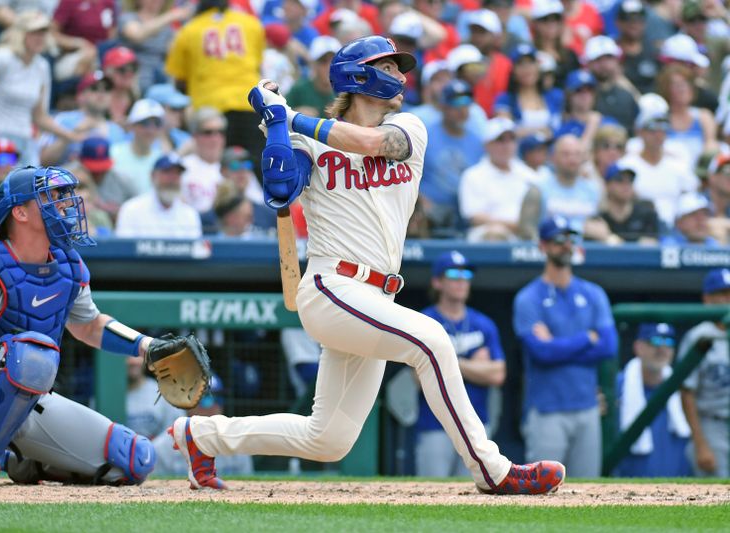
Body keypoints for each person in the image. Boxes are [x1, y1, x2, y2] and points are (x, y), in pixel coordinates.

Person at [166, 35, 565, 495]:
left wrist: (290, 115)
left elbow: (374, 143)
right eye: (390, 67)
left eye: (400, 69)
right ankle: (492, 470)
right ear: (358, 76)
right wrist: (277, 129)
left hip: (376, 295)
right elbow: (279, 189)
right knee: (432, 341)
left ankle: (202, 437)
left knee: (329, 438)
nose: (401, 77)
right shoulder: (309, 142)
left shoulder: (410, 126)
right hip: (333, 285)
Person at [0, 165, 159, 486]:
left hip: (28, 401)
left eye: (65, 195)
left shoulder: (68, 264)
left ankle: (24, 463)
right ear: (20, 213)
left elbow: (89, 326)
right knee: (31, 352)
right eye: (52, 197)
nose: (65, 204)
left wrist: (147, 346)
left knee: (134, 459)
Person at [513, 215, 617, 478]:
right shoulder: (528, 297)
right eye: (559, 240)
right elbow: (542, 353)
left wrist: (559, 345)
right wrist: (585, 339)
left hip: (587, 407)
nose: (566, 245)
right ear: (543, 246)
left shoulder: (593, 293)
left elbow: (608, 347)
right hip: (547, 409)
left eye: (571, 239)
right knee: (541, 490)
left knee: (588, 493)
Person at [414, 252, 506, 477]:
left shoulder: (483, 323)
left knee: (475, 494)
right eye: (454, 274)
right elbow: (418, 378)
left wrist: (446, 362)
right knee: (430, 494)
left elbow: (497, 374)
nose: (461, 281)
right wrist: (473, 365)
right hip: (434, 425)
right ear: (438, 281)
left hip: (476, 425)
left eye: (466, 275)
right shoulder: (425, 322)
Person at [0, 11, 81, 166]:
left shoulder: (41, 66)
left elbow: (39, 116)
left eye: (43, 32)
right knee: (1, 187)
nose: (40, 37)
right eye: (34, 32)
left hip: (26, 141)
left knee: (32, 186)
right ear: (21, 34)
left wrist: (70, 135)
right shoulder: (0, 59)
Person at [165, 0, 265, 169]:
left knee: (215, 169)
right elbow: (257, 65)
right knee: (256, 169)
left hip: (210, 110)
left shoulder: (189, 30)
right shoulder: (250, 23)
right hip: (249, 104)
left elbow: (179, 79)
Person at [614, 323, 692, 477]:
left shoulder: (682, 389)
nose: (662, 349)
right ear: (638, 347)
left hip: (676, 484)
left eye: (668, 342)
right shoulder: (616, 386)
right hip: (627, 485)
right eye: (655, 341)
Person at [677, 268, 730, 478]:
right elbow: (687, 392)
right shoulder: (699, 335)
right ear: (708, 299)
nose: (728, 299)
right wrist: (700, 443)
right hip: (712, 424)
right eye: (722, 293)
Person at [619, 104, 699, 228]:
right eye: (652, 129)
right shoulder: (626, 165)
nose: (658, 134)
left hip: (676, 229)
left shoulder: (678, 166)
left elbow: (693, 194)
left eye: (663, 129)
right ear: (640, 131)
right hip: (638, 228)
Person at [422, 79, 484, 235]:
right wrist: (421, 203)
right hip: (428, 216)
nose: (462, 110)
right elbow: (407, 174)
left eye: (466, 103)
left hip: (465, 215)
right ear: (443, 107)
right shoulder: (424, 135)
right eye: (456, 104)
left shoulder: (477, 141)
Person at [460, 117, 538, 242]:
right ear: (487, 145)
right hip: (486, 233)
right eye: (500, 140)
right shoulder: (473, 175)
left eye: (511, 139)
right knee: (495, 233)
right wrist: (515, 226)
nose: (506, 145)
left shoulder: (529, 175)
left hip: (526, 234)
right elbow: (475, 217)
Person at [40, 70, 125, 167]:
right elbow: (42, 161)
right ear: (81, 95)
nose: (101, 93)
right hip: (63, 180)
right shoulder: (62, 120)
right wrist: (70, 135)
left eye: (107, 89)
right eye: (94, 88)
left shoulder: (117, 131)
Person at [115, 152, 201, 238]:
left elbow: (196, 249)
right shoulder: (131, 210)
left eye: (177, 173)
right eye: (167, 172)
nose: (172, 178)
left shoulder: (190, 215)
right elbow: (124, 249)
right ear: (152, 176)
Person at [118, 0, 195, 94]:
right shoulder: (128, 18)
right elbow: (137, 34)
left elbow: (174, 53)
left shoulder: (167, 28)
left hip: (160, 82)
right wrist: (171, 15)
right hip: (133, 79)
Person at [494, 44, 564, 139]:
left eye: (531, 62)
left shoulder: (555, 96)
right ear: (513, 71)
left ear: (538, 67)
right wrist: (539, 131)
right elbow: (506, 133)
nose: (526, 68)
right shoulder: (505, 100)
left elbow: (562, 128)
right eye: (520, 64)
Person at [582, 35, 639, 135]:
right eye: (598, 59)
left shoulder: (626, 94)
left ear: (617, 61)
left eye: (609, 58)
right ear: (588, 63)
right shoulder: (580, 93)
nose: (604, 64)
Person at [593, 163, 659, 245]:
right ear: (607, 185)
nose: (626, 185)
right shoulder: (600, 217)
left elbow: (655, 243)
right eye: (619, 180)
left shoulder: (647, 214)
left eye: (630, 180)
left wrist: (618, 241)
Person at [109, 98, 165, 193]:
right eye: (145, 123)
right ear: (131, 126)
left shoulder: (162, 159)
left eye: (157, 123)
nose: (151, 130)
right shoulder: (114, 153)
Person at [286, 36, 342, 118]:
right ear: (314, 64)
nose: (329, 67)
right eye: (323, 61)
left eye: (334, 61)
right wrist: (295, 115)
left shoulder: (346, 92)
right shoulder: (299, 89)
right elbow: (279, 115)